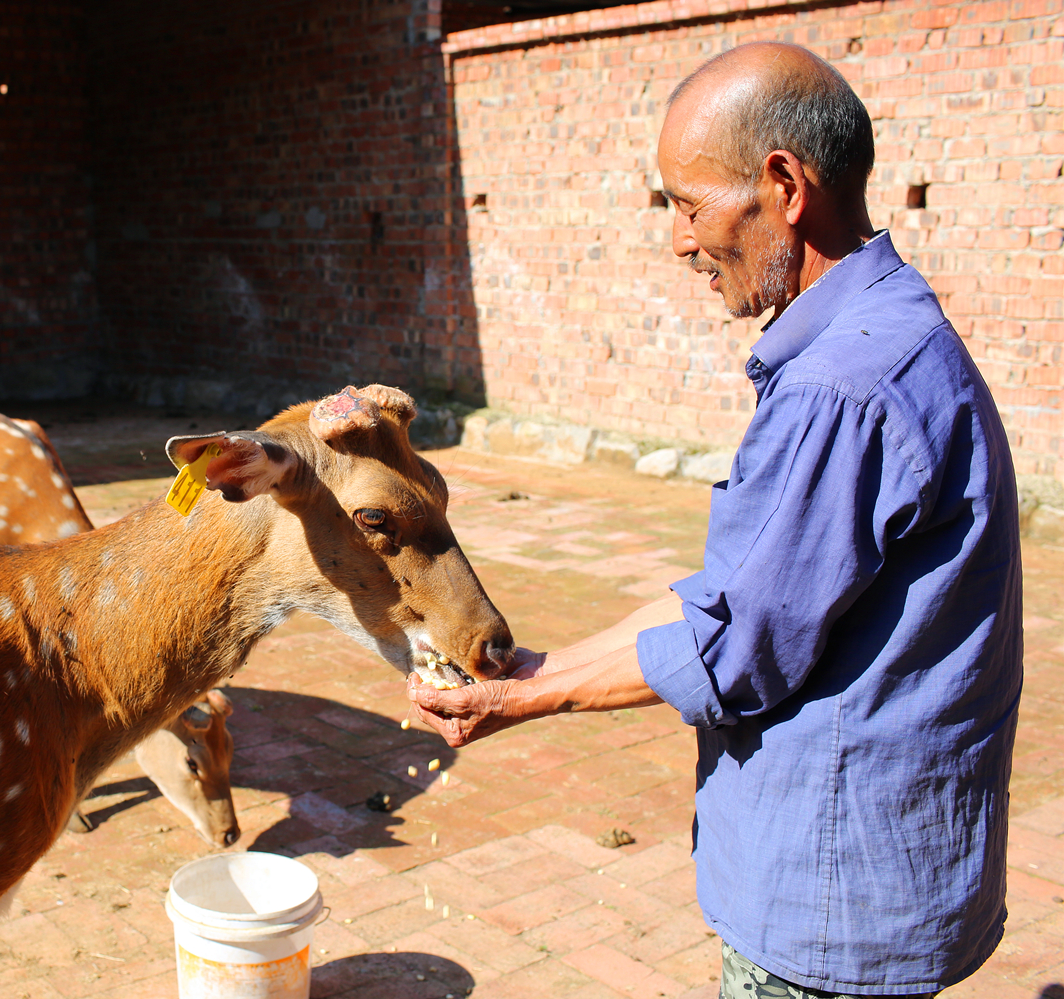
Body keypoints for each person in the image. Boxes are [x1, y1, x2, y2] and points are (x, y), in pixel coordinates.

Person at [409, 42, 1022, 999]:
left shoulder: (838, 388)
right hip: (874, 870)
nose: (681, 241)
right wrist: (542, 666)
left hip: (830, 900)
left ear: (783, 185)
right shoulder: (893, 333)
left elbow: (731, 651)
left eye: (689, 206)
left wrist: (519, 700)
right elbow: (735, 600)